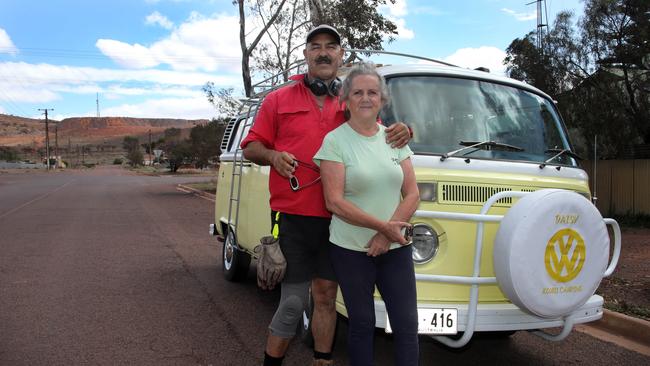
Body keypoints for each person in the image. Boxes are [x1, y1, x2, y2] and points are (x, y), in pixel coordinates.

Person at [241, 25, 411, 366]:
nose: (323, 52)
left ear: (340, 55)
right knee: (291, 303)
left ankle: (322, 360)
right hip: (295, 219)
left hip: (339, 226)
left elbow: (381, 135)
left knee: (325, 296)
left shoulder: (352, 100)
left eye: (330, 47)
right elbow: (251, 147)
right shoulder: (278, 100)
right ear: (305, 54)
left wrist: (406, 130)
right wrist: (273, 156)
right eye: (315, 46)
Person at [313, 62, 420, 366]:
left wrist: (388, 236)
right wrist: (384, 228)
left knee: (407, 326)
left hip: (396, 247)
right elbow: (334, 201)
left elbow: (413, 193)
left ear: (382, 100)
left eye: (372, 92)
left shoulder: (395, 139)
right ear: (345, 99)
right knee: (361, 324)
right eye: (357, 92)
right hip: (351, 250)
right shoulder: (335, 141)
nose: (365, 98)